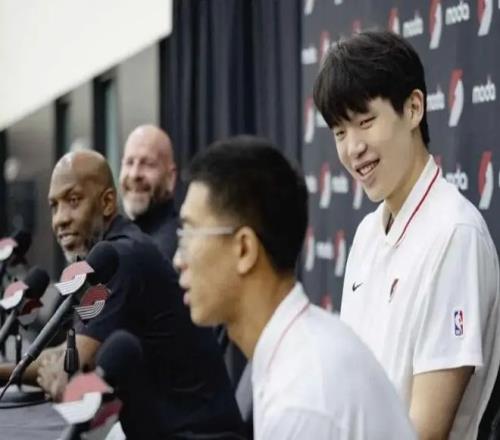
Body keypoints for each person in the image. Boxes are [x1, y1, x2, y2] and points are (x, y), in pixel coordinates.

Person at [313, 30, 500, 439]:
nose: (353, 148)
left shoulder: (455, 234)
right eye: (340, 132)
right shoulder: (367, 233)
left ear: (414, 108)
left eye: (365, 122)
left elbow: (425, 431)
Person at [173, 135, 416, 439]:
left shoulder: (303, 399)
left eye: (189, 234)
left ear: (244, 249)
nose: (178, 260)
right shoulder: (297, 352)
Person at [0, 150, 243, 439]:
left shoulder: (122, 257)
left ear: (107, 202)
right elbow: (69, 356)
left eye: (73, 200)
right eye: (54, 206)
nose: (60, 219)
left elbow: (73, 366)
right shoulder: (106, 259)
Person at [119, 125, 178, 261]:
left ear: (170, 177)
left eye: (148, 164)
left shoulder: (170, 251)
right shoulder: (119, 237)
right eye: (129, 162)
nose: (134, 174)